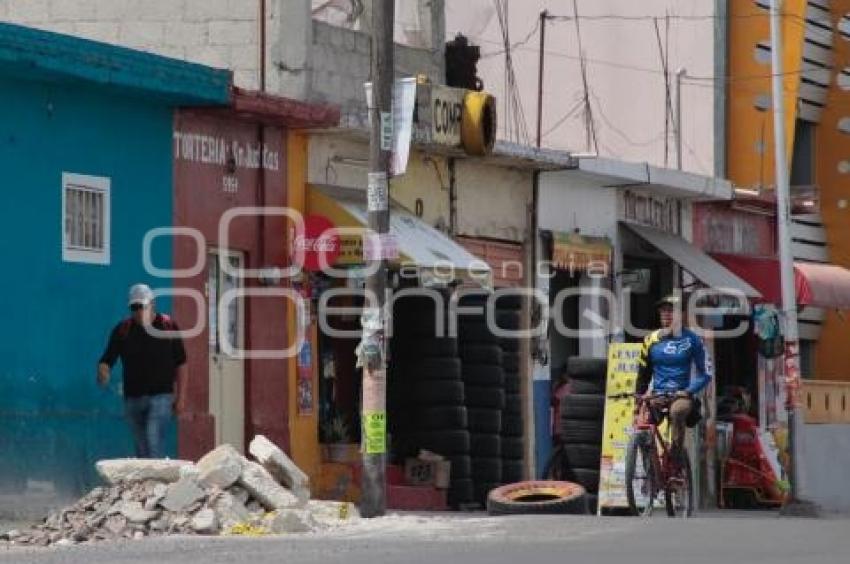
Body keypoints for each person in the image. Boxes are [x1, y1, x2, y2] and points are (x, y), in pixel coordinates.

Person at [98, 284, 187, 458]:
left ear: (152, 304)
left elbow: (181, 363)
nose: (139, 311)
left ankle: (155, 483)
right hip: (133, 398)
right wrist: (103, 371)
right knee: (141, 448)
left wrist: (181, 398)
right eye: (134, 307)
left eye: (143, 306)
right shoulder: (123, 330)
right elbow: (107, 359)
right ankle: (149, 484)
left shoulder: (168, 326)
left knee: (153, 441)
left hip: (161, 396)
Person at [636, 294, 712, 453]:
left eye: (671, 311)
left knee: (677, 411)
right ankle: (650, 464)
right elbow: (644, 372)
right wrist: (639, 397)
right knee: (643, 424)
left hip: (681, 394)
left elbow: (706, 373)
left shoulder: (693, 340)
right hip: (658, 394)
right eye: (663, 311)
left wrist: (688, 390)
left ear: (681, 315)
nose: (666, 314)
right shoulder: (650, 340)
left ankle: (676, 457)